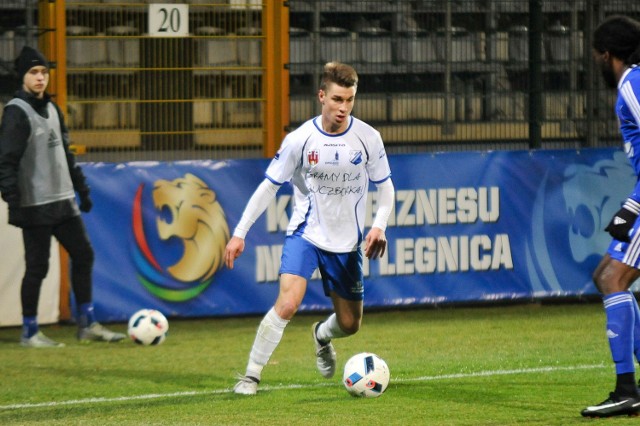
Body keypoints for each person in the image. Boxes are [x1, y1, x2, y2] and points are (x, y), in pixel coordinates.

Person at [224, 62, 395, 395]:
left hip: (347, 244)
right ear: (321, 96)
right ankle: (251, 375)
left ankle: (321, 335)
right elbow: (268, 187)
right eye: (336, 99)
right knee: (287, 303)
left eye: (349, 100)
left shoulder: (368, 138)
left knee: (350, 324)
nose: (343, 108)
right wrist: (240, 232)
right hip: (306, 234)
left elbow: (386, 187)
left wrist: (379, 226)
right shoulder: (300, 140)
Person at [0, 46, 126, 347]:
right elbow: (6, 160)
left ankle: (87, 323)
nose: (40, 78)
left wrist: (81, 190)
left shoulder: (54, 109)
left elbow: (66, 157)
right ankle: (30, 330)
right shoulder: (17, 111)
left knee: (84, 255)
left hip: (62, 201)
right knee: (37, 267)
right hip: (35, 204)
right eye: (34, 72)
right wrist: (13, 201)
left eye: (44, 72)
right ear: (23, 77)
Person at [583, 15, 640, 417]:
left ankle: (626, 389)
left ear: (608, 55)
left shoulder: (632, 84)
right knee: (605, 273)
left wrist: (632, 207)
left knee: (611, 277)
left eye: (597, 56)